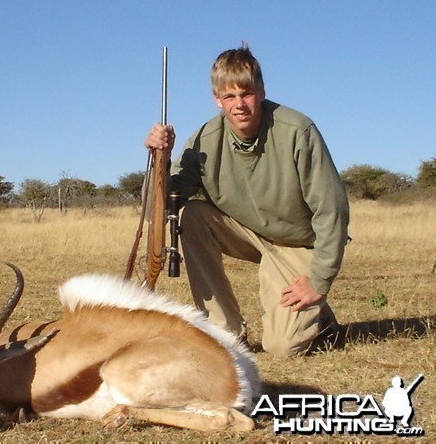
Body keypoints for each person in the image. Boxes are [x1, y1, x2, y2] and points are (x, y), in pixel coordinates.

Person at [144, 43, 349, 358]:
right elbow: (156, 211)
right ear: (217, 100)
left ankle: (321, 321)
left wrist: (318, 282)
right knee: (192, 215)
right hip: (249, 233)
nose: (238, 104)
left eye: (246, 93)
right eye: (229, 96)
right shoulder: (203, 140)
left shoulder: (297, 130)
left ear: (262, 91)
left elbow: (332, 211)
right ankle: (225, 334)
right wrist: (160, 158)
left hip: (297, 242)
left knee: (283, 347)